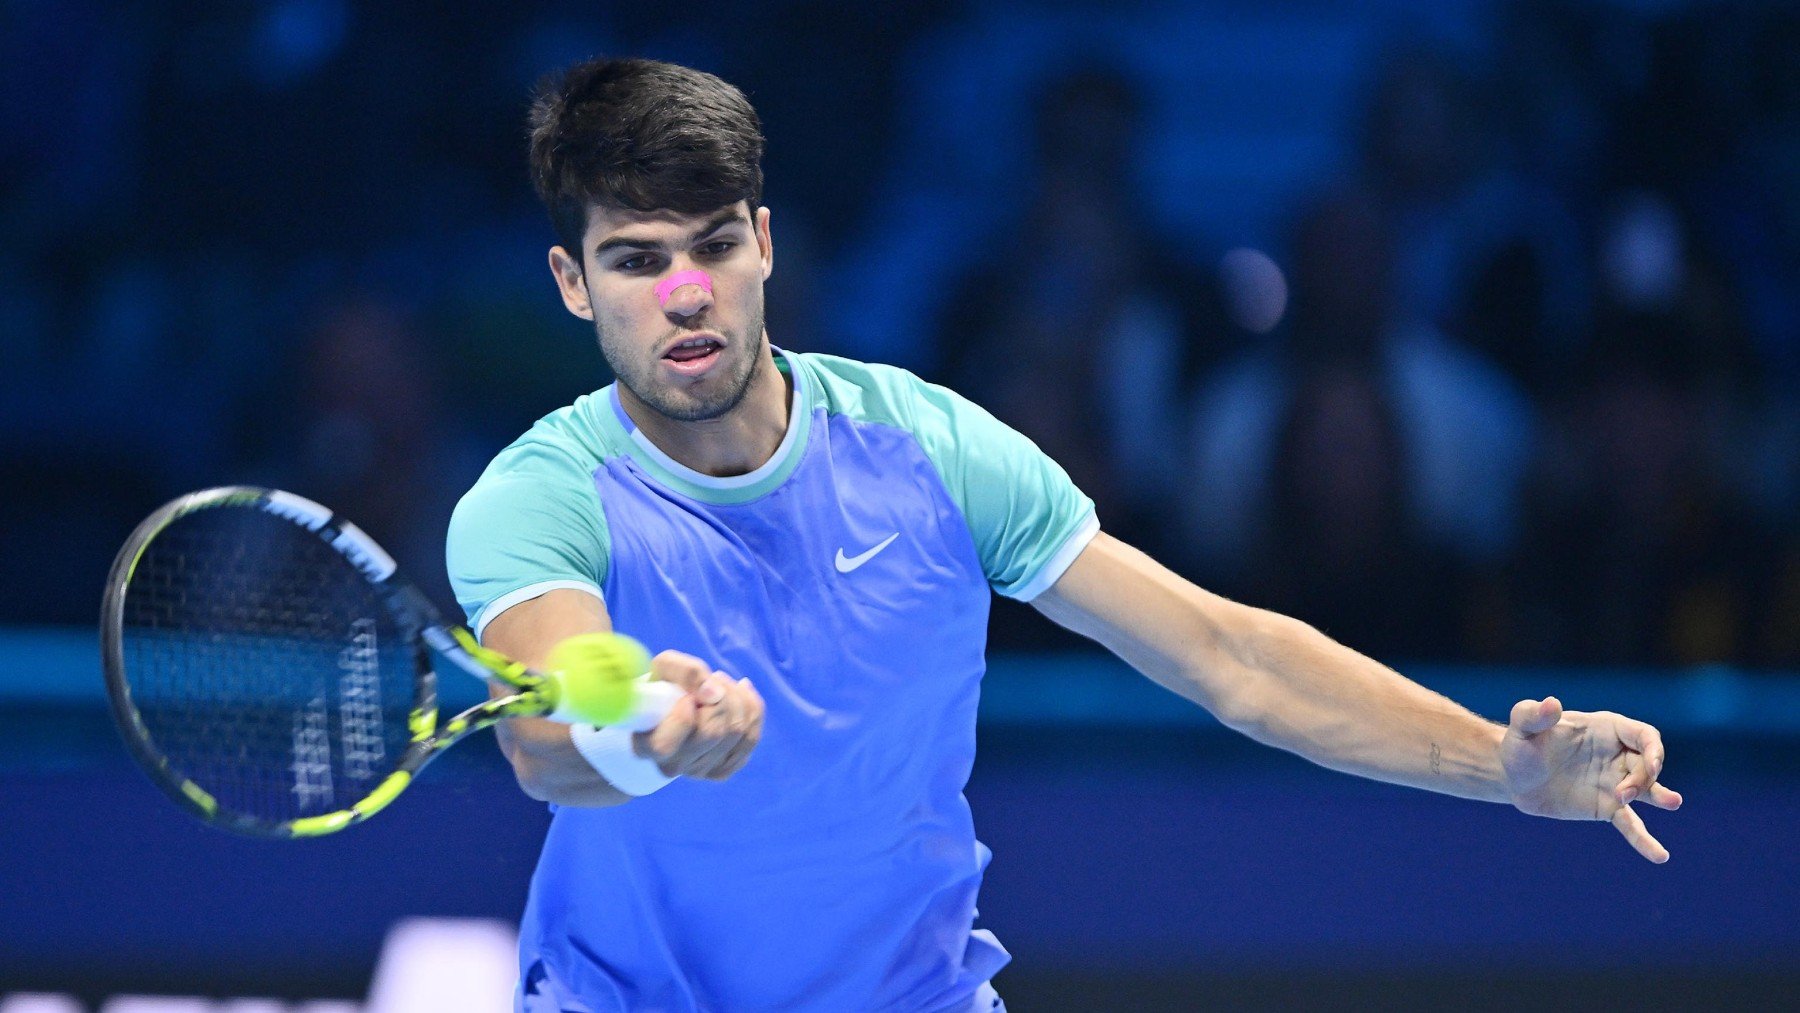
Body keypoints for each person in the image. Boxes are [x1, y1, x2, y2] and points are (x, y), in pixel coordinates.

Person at [446, 57, 1682, 1013]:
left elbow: (1230, 656)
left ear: (764, 244)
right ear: (571, 281)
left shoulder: (931, 448)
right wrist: (643, 719)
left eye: (715, 244)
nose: (686, 293)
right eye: (636, 258)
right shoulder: (541, 494)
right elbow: (549, 719)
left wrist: (1501, 766)